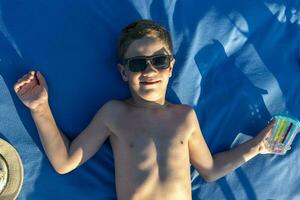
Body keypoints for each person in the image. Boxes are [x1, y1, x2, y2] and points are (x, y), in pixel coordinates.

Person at [13, 19, 280, 200]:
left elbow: (209, 170)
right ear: (123, 72)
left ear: (171, 67)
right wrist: (40, 108)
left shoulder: (185, 116)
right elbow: (65, 162)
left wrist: (256, 147)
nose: (150, 70)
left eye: (159, 60)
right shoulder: (114, 114)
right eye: (139, 64)